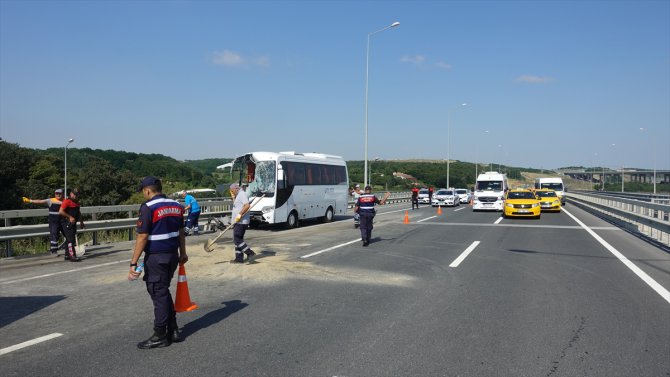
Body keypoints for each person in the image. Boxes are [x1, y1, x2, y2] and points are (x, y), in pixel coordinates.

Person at [129, 176, 188, 349]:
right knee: (163, 291)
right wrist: (183, 253)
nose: (143, 195)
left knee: (158, 292)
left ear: (148, 190)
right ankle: (173, 329)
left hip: (156, 257)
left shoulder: (148, 207)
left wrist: (134, 262)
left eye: (143, 192)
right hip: (172, 256)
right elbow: (181, 232)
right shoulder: (177, 206)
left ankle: (160, 334)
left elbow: (142, 236)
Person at [23, 188, 65, 255]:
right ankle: (54, 251)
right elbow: (40, 201)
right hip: (53, 222)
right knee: (54, 235)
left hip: (63, 221)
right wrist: (29, 201)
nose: (58, 195)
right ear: (54, 194)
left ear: (63, 194)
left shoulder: (65, 201)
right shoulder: (51, 200)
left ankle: (70, 249)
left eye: (60, 193)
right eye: (56, 193)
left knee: (67, 234)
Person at [229, 182, 255, 264]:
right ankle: (239, 259)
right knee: (237, 240)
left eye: (232, 191)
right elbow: (236, 206)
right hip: (237, 221)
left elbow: (247, 205)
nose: (232, 193)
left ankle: (250, 253)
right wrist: (233, 197)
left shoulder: (242, 194)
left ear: (236, 189)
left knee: (237, 239)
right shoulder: (238, 195)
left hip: (241, 221)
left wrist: (239, 214)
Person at [59, 188, 85, 262]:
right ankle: (72, 255)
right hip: (66, 222)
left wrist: (81, 222)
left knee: (69, 238)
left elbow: (78, 213)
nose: (76, 196)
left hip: (74, 222)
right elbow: (61, 211)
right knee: (71, 239)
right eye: (74, 194)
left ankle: (67, 254)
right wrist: (69, 217)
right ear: (71, 194)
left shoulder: (77, 202)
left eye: (77, 194)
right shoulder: (67, 201)